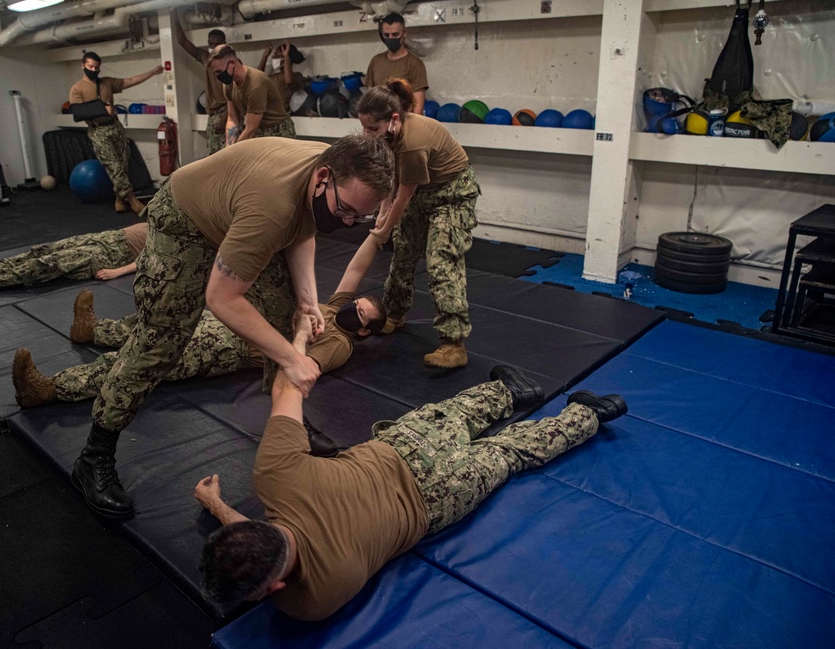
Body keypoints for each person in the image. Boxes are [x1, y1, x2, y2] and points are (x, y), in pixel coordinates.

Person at [196, 314, 628, 620]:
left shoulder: (311, 602)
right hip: (401, 451)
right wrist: (300, 337)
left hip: (439, 499)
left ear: (271, 590)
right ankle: (509, 392)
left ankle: (588, 415)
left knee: (509, 454)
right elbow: (288, 383)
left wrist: (218, 507)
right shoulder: (275, 474)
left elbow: (267, 561)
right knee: (452, 415)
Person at [70, 135, 395, 521]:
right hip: (185, 221)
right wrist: (292, 358)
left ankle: (290, 425)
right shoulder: (272, 205)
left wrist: (308, 300)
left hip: (240, 208)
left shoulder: (329, 176)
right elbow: (221, 298)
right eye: (345, 211)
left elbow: (304, 229)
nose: (347, 223)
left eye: (359, 217)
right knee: (160, 343)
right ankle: (94, 455)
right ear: (323, 176)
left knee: (285, 314)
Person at [11, 234, 387, 420]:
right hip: (242, 318)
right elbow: (354, 269)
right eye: (357, 303)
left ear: (364, 331)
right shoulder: (337, 307)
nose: (353, 308)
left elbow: (302, 369)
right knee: (155, 325)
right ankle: (93, 330)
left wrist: (303, 332)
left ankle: (50, 389)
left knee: (143, 360)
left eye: (361, 314)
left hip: (233, 345)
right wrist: (377, 232)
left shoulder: (340, 342)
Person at [356, 79, 480, 368]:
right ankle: (394, 314)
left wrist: (385, 228)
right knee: (403, 254)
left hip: (452, 194)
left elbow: (404, 193)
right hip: (420, 191)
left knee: (440, 261)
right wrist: (382, 216)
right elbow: (393, 181)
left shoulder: (413, 142)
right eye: (364, 127)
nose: (367, 134)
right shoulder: (388, 136)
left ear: (394, 119)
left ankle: (453, 344)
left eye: (372, 128)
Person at [69, 52, 163, 214]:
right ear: (83, 65)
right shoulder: (77, 89)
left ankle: (119, 198)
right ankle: (132, 200)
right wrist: (102, 109)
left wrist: (153, 72)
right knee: (114, 165)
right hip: (98, 131)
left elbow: (131, 81)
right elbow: (78, 113)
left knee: (123, 161)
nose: (93, 70)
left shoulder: (107, 82)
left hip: (115, 127)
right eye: (90, 66)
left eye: (96, 67)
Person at [0, 223, 147, 292]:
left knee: (51, 263)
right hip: (113, 236)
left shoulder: (179, 240)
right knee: (44, 250)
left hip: (117, 255)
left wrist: (118, 272)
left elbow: (157, 260)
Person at [209, 44, 297, 145]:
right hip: (258, 130)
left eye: (219, 71)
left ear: (232, 63)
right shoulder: (229, 84)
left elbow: (251, 129)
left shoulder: (255, 84)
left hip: (278, 132)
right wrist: (229, 146)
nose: (218, 76)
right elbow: (232, 118)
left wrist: (234, 152)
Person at [170, 9, 228, 155]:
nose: (212, 47)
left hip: (226, 112)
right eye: (210, 43)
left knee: (228, 156)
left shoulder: (231, 63)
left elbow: (237, 93)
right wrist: (174, 15)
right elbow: (182, 41)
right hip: (213, 113)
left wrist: (226, 116)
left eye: (216, 44)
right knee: (214, 155)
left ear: (224, 44)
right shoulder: (206, 58)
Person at [364, 12, 428, 114]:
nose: (391, 38)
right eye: (386, 35)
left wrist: (411, 128)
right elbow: (370, 98)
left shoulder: (415, 64)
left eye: (395, 34)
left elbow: (418, 105)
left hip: (404, 123)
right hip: (380, 124)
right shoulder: (375, 61)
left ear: (404, 33)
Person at [256, 40, 308, 113]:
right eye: (274, 56)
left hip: (283, 116)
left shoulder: (296, 76)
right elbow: (257, 78)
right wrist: (264, 57)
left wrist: (286, 56)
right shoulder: (273, 77)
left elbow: (288, 80)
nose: (274, 58)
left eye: (277, 56)